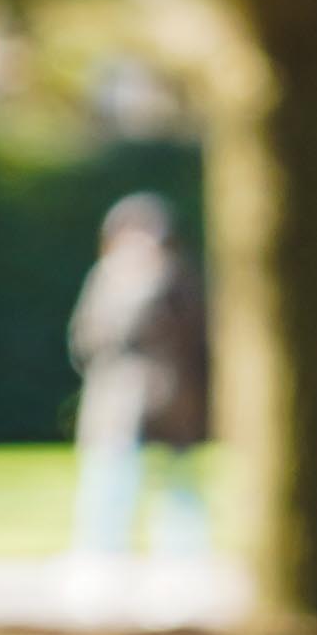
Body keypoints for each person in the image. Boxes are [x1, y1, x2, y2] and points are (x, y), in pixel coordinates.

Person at [65, 189, 208, 568]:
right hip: (114, 401)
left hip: (167, 399)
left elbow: (194, 337)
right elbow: (86, 337)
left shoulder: (175, 280)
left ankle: (182, 560)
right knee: (109, 480)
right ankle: (103, 555)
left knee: (175, 484)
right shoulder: (105, 279)